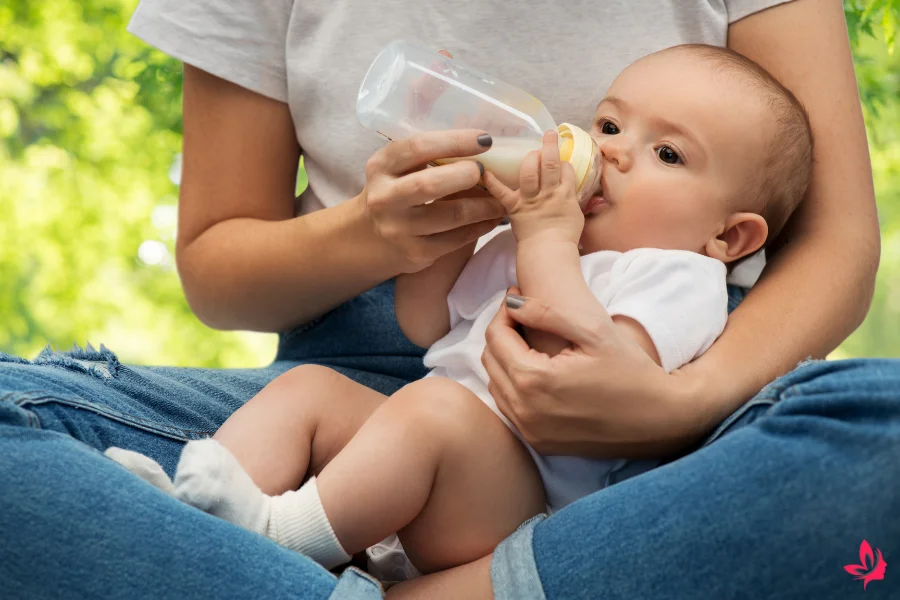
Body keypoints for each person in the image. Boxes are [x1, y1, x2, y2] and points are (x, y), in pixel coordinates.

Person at [1, 1, 895, 599]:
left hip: (554, 471)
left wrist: (555, 248)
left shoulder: (677, 277)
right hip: (384, 379)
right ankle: (194, 514)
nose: (615, 151)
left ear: (730, 237)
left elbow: (565, 366)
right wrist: (413, 239)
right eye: (614, 125)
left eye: (667, 155)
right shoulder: (537, 238)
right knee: (309, 398)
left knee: (878, 444)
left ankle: (278, 545)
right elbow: (427, 324)